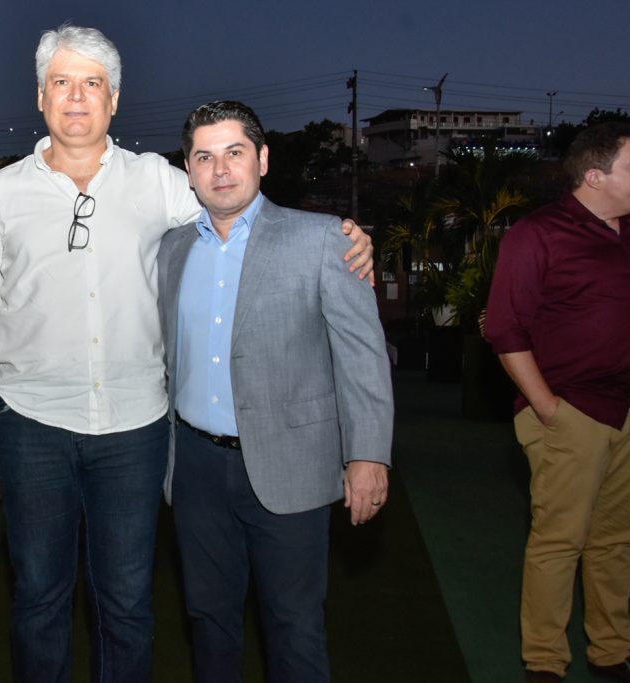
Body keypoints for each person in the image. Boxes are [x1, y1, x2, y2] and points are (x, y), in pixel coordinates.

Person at [0, 26, 374, 682]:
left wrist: (335, 236)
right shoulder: (2, 192)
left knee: (127, 604)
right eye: (61, 82)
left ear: (113, 99)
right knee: (39, 597)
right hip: (30, 423)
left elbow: (237, 204)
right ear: (40, 95)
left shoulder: (160, 181)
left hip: (134, 428)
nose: (75, 96)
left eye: (91, 83)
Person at [156, 100, 393, 682]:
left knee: (295, 627)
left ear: (262, 159)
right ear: (188, 170)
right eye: (204, 157)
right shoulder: (171, 249)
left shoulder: (323, 239)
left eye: (234, 152)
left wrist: (367, 455)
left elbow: (362, 356)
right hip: (194, 469)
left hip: (292, 465)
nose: (220, 170)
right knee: (208, 620)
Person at [485, 122, 630, 683]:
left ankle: (611, 651)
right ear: (595, 176)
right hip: (570, 412)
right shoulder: (538, 234)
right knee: (559, 542)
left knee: (616, 541)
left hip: (629, 413)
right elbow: (505, 330)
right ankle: (546, 663)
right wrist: (549, 409)